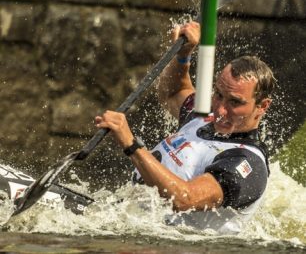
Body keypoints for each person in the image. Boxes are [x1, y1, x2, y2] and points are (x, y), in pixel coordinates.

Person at [95, 21, 276, 234]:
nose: (220, 110)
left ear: (262, 106)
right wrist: (183, 56)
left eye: (235, 102)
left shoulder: (247, 163)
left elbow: (185, 199)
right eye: (218, 94)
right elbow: (173, 92)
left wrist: (131, 145)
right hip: (135, 228)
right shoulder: (203, 116)